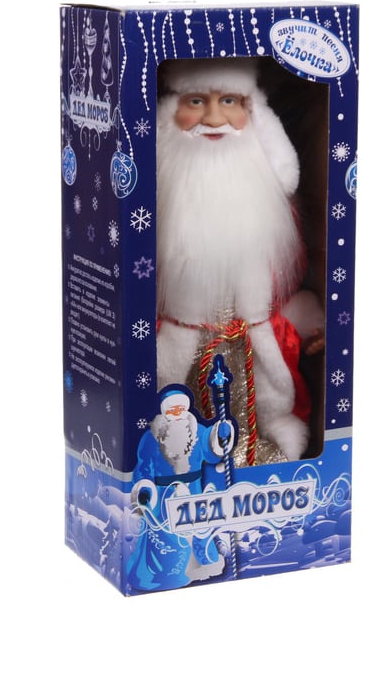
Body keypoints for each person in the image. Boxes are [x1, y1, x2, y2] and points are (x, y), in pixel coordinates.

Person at [155, 58, 315, 464]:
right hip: (184, 337)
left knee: (251, 395)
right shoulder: (166, 185)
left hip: (243, 340)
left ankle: (249, 446)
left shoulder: (261, 200)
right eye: (196, 101)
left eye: (228, 101)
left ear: (252, 110)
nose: (213, 119)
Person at [126, 387, 235, 591]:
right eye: (172, 410)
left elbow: (212, 454)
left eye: (180, 409)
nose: (177, 413)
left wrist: (221, 435)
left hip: (193, 489)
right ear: (164, 411)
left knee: (199, 527)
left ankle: (205, 563)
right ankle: (168, 572)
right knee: (167, 534)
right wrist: (144, 487)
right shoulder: (152, 438)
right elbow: (143, 468)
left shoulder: (198, 432)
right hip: (164, 494)